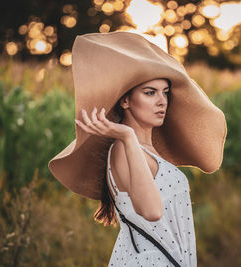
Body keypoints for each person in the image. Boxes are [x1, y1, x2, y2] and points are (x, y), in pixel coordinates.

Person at [48, 31, 227, 267]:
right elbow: (152, 211)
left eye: (165, 93)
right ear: (125, 101)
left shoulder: (145, 151)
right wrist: (128, 136)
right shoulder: (124, 149)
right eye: (150, 93)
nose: (161, 101)